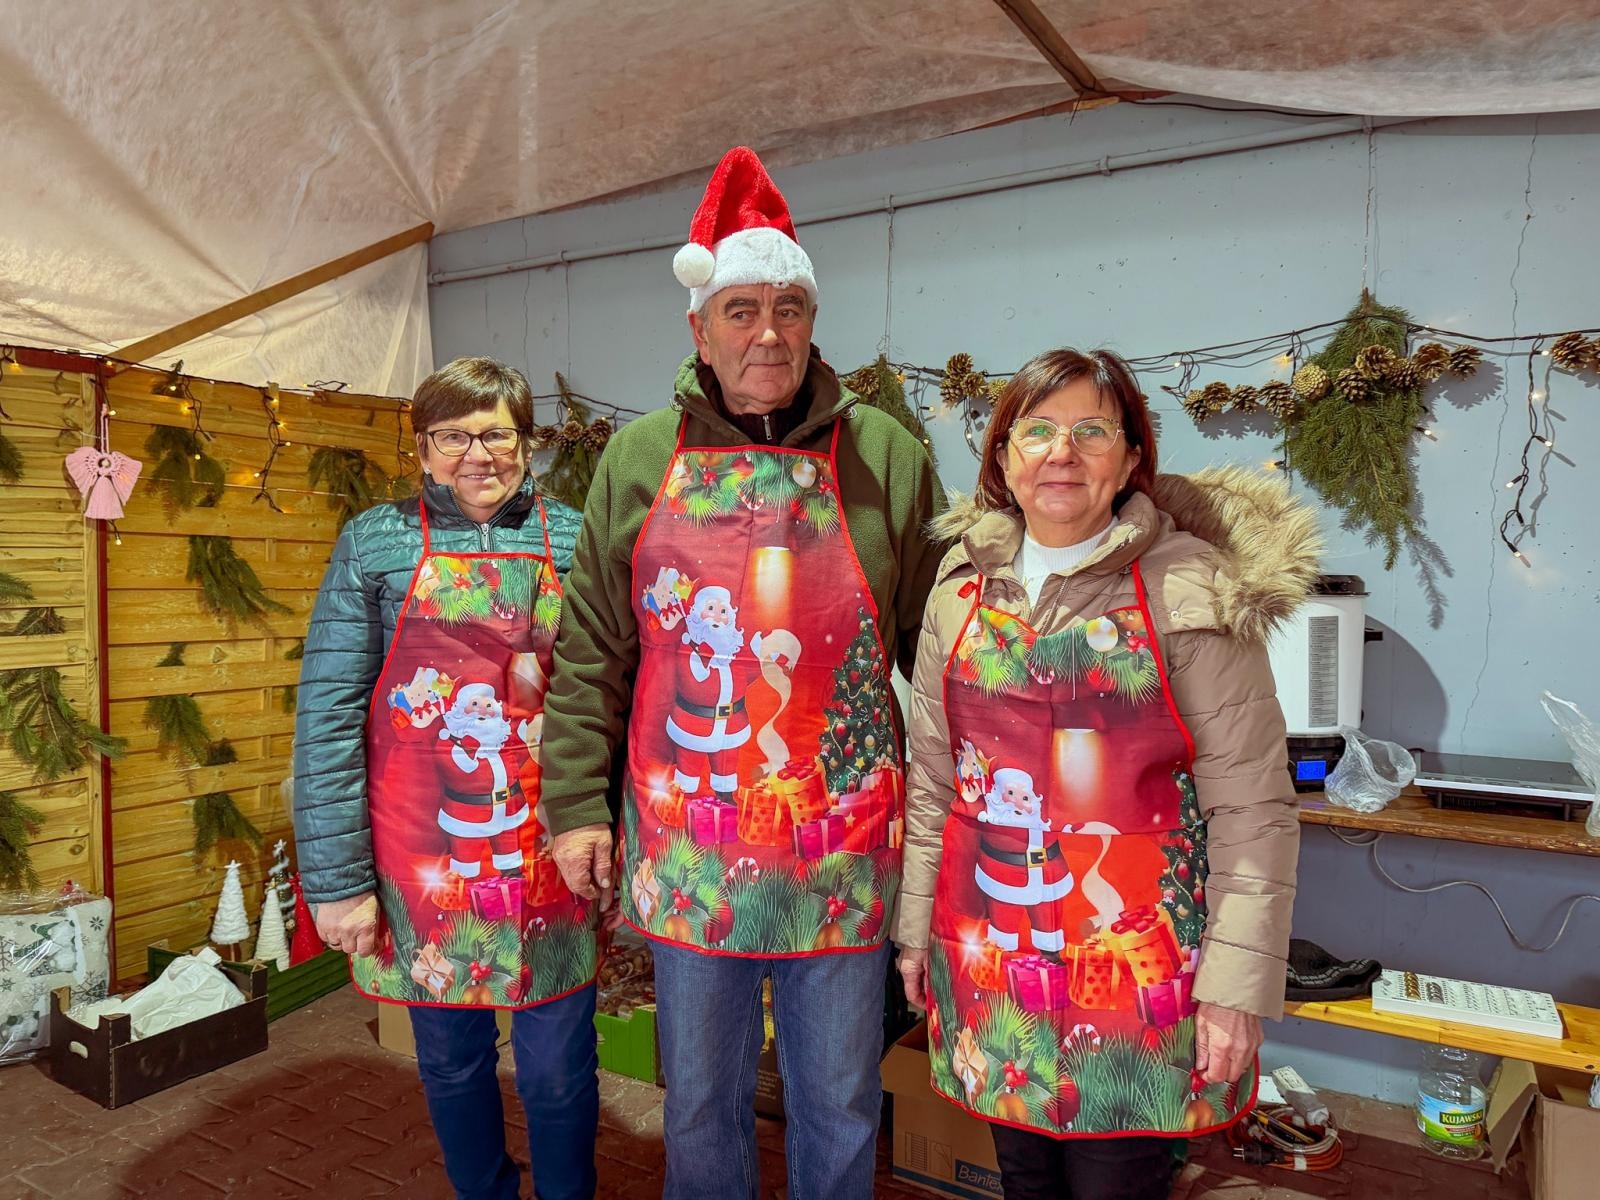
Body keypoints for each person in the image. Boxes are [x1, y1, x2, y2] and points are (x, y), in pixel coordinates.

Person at [539, 146, 946, 1200]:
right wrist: (576, 809)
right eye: (742, 310)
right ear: (699, 328)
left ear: (811, 320)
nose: (768, 333)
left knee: (840, 1097)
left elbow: (936, 645)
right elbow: (592, 653)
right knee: (701, 1097)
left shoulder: (886, 455)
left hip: (839, 842)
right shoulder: (639, 458)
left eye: (788, 309)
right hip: (694, 841)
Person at [894, 348, 1316, 1200]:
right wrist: (914, 933)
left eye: (1092, 431)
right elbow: (935, 785)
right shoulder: (958, 591)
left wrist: (1234, 992)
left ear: (1128, 461)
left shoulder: (1191, 590)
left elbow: (1253, 811)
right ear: (1003, 458)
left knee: (1116, 1184)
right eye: (1037, 431)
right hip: (991, 953)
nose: (1062, 452)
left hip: (1137, 970)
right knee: (1024, 1179)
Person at [292, 357, 599, 1200]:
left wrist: (615, 834)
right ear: (423, 448)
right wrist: (337, 883)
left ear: (527, 443)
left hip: (549, 850)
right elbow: (327, 715)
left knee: (559, 1071)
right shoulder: (374, 541)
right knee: (453, 1062)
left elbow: (612, 696)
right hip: (422, 855)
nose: (477, 454)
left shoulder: (577, 538)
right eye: (453, 436)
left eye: (496, 433)